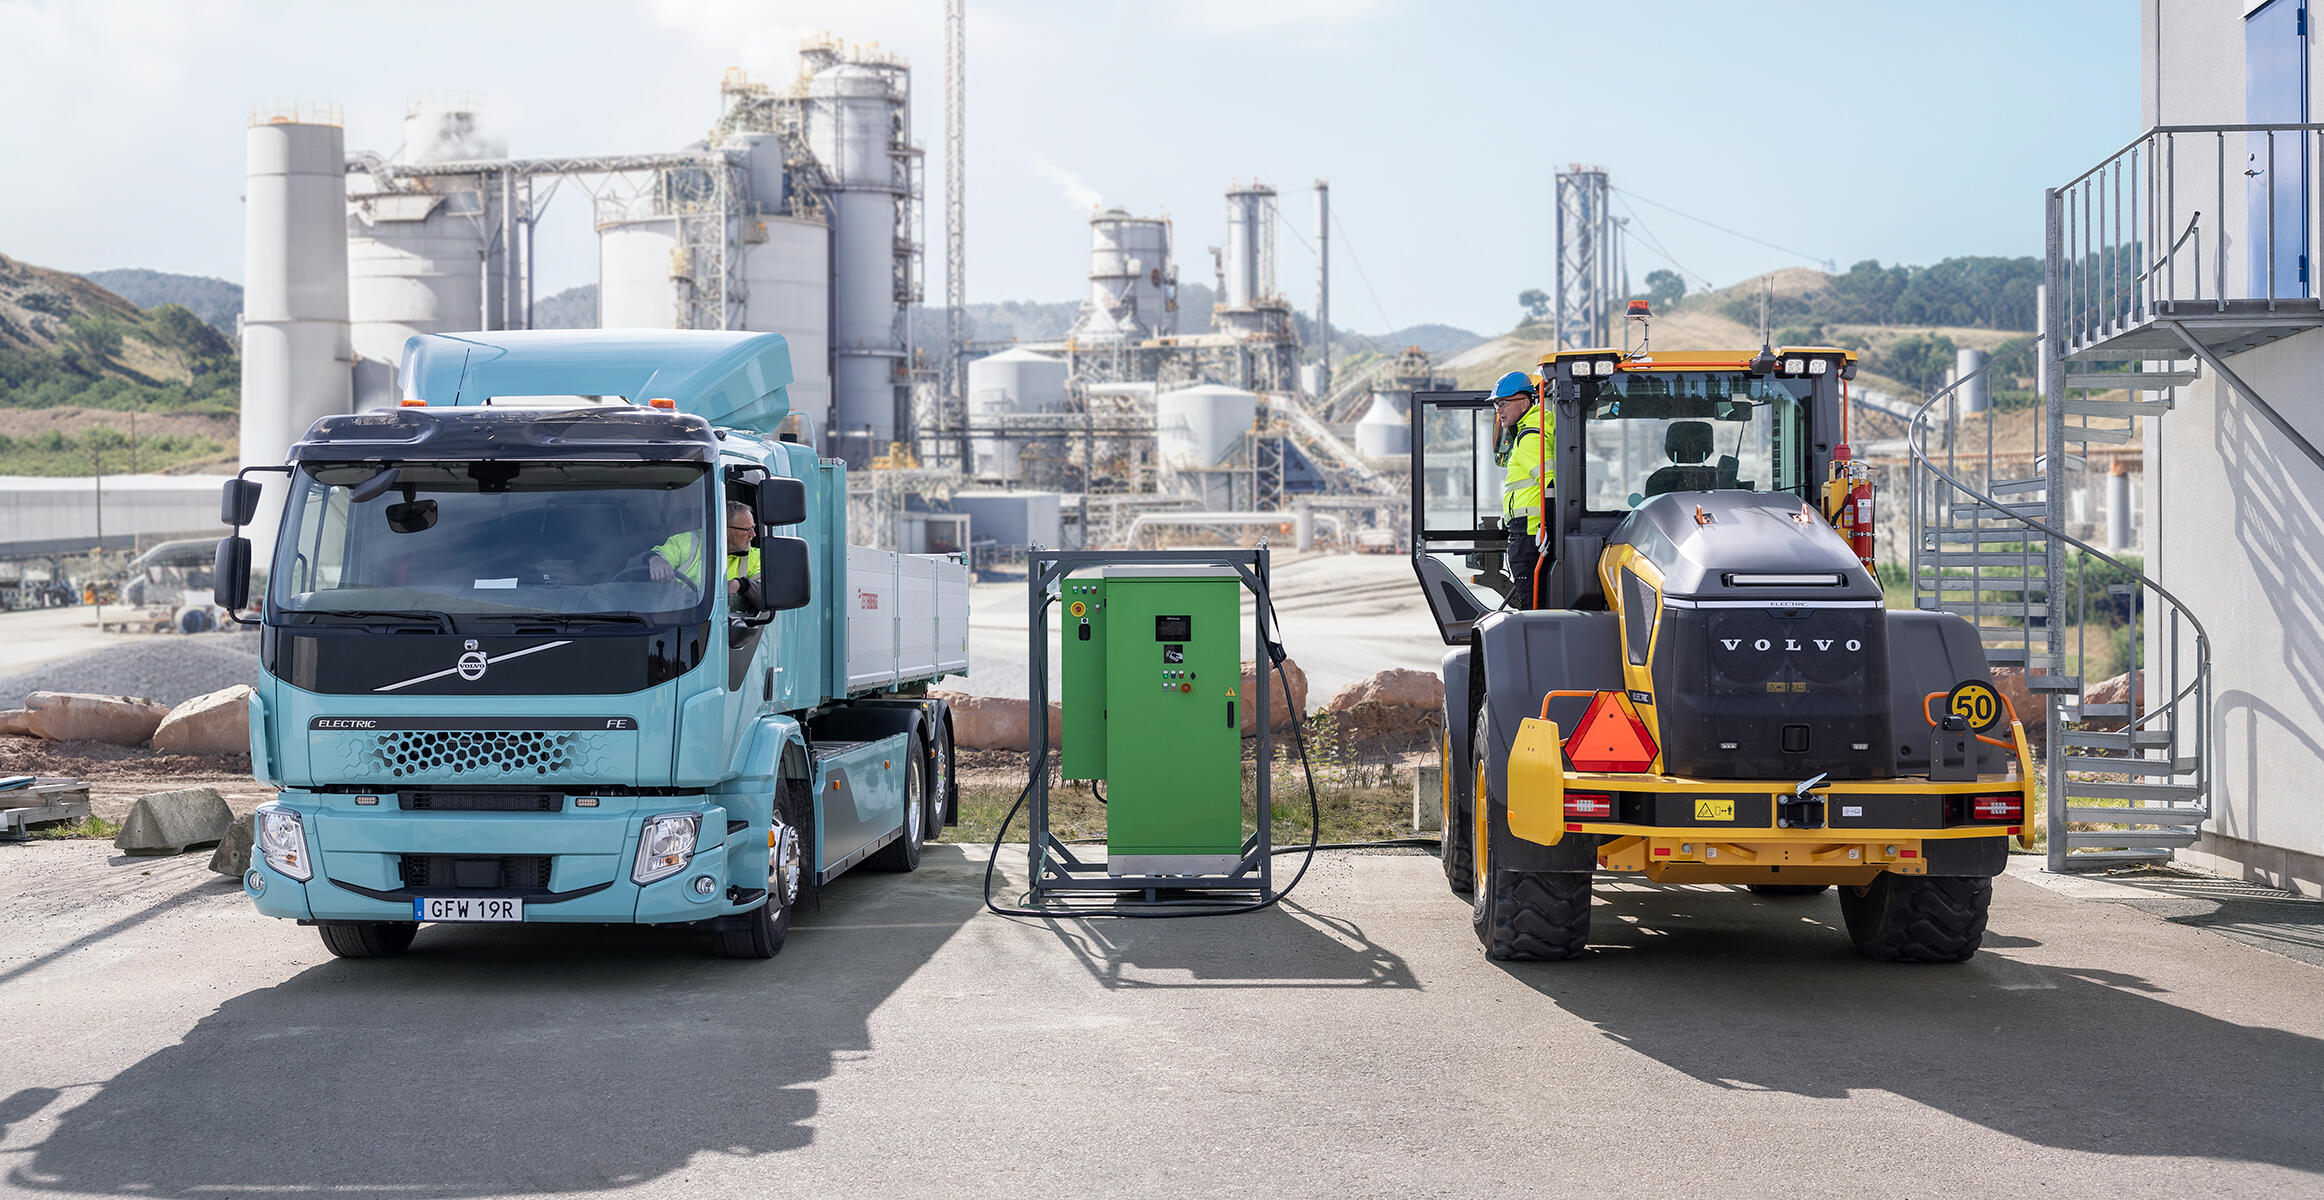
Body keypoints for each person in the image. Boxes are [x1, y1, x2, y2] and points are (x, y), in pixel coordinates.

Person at [1492, 369, 1554, 609]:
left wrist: (1548, 527)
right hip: (1531, 532)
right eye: (1497, 404)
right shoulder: (1531, 430)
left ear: (1525, 403)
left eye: (1503, 403)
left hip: (1530, 534)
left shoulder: (1529, 437)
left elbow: (1549, 483)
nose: (1499, 410)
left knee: (1531, 605)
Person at [649, 500, 763, 611]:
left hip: (724, 623)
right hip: (676, 618)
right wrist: (655, 559)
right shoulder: (689, 541)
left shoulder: (756, 557)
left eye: (753, 527)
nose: (753, 534)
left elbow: (767, 594)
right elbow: (657, 556)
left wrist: (741, 585)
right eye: (746, 530)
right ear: (724, 529)